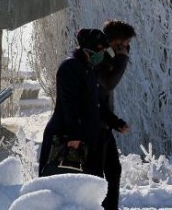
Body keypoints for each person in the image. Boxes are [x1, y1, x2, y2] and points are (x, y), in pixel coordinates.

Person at [38, 29, 110, 177]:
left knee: (88, 188)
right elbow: (69, 103)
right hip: (66, 137)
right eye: (101, 49)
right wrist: (74, 136)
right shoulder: (70, 67)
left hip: (83, 137)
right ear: (89, 48)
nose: (103, 53)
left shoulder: (87, 68)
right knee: (63, 182)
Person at [96, 20, 136, 210]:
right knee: (97, 175)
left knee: (113, 171)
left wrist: (115, 123)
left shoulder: (107, 58)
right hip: (94, 127)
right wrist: (122, 58)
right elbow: (109, 84)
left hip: (104, 124)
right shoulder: (99, 59)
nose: (127, 47)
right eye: (125, 42)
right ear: (116, 42)